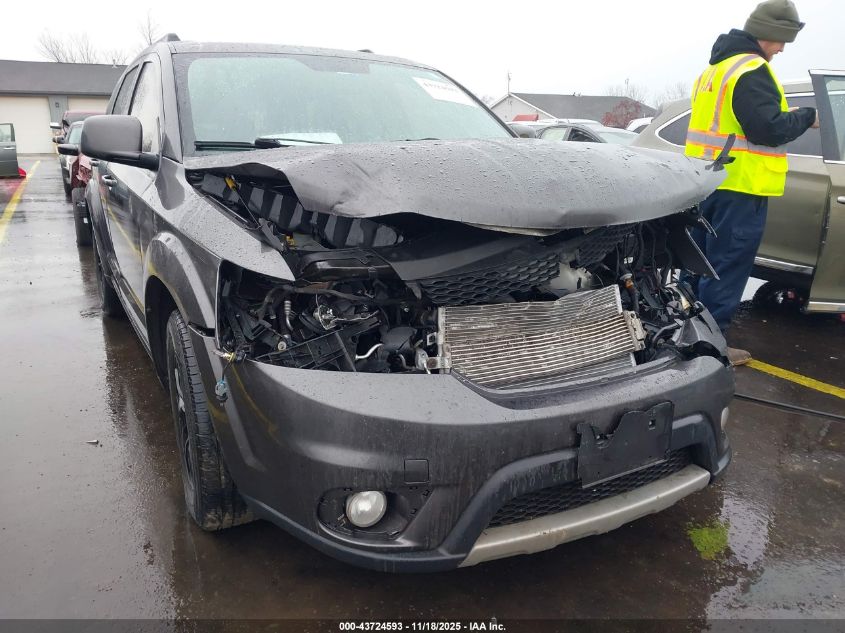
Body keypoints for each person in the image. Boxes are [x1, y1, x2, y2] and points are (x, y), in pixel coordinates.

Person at [684, 0, 818, 366]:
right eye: (780, 41)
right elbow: (768, 130)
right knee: (724, 267)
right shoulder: (752, 69)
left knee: (697, 264)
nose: (781, 49)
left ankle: (679, 334)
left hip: (705, 183)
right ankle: (709, 349)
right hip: (740, 186)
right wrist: (806, 117)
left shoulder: (715, 69)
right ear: (768, 34)